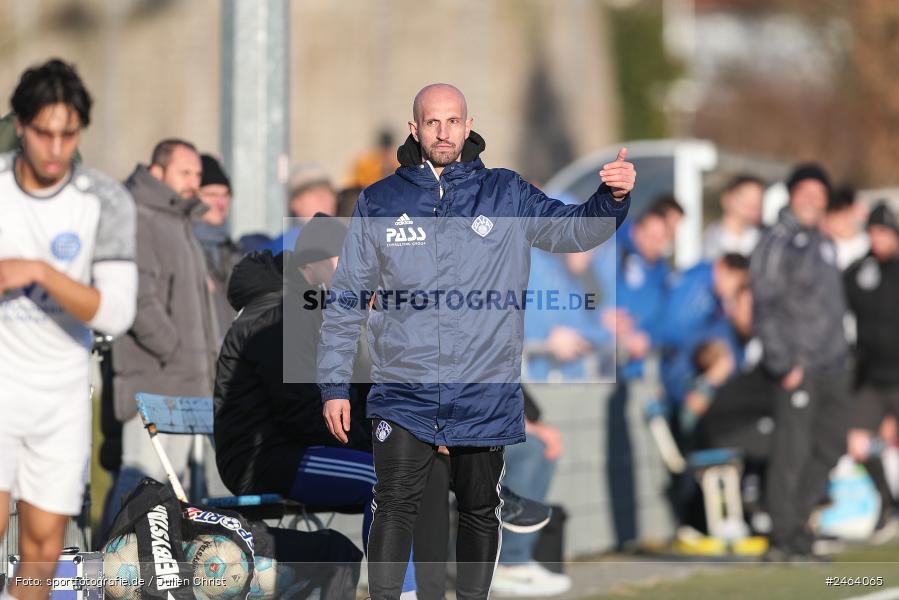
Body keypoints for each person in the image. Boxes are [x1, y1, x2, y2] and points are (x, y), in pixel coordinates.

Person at [317, 83, 634, 599]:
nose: (443, 132)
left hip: (485, 388)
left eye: (453, 121)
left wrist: (612, 197)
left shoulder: (507, 193)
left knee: (479, 508)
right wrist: (334, 385)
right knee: (394, 502)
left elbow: (572, 231)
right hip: (403, 389)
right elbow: (347, 297)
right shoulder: (380, 200)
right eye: (432, 122)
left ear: (469, 125)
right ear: (415, 128)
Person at [0, 59, 137, 600]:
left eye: (69, 134)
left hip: (61, 397)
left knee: (41, 551)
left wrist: (39, 273)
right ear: (20, 127)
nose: (55, 148)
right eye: (43, 133)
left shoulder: (104, 200)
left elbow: (115, 313)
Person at [105, 139, 217, 528]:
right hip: (152, 380)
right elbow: (139, 299)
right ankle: (112, 557)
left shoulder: (179, 221)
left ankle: (156, 563)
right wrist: (174, 348)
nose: (193, 182)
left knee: (173, 489)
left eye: (197, 174)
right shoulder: (140, 217)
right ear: (157, 172)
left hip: (185, 383)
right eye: (184, 172)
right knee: (140, 480)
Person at [751, 163, 850, 560]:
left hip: (833, 366)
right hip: (799, 366)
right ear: (791, 195)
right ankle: (783, 536)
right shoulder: (778, 240)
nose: (812, 201)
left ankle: (798, 523)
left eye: (819, 194)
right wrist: (784, 361)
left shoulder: (822, 242)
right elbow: (765, 304)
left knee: (831, 445)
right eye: (805, 193)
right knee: (791, 452)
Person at [843, 202, 899, 542]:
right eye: (873, 232)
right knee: (857, 442)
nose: (879, 239)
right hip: (870, 377)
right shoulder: (857, 273)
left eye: (885, 232)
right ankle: (887, 501)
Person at [194, 153, 241, 340]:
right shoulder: (185, 247)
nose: (220, 203)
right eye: (211, 195)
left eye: (225, 195)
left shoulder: (232, 251)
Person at [267, 163, 337, 253]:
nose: (324, 198)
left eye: (328, 191)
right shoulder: (288, 245)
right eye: (315, 192)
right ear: (295, 203)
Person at [701, 175, 765, 260]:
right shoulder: (706, 241)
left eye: (758, 199)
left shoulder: (765, 240)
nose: (753, 205)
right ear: (726, 199)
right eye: (746, 198)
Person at [823, 186, 869, 271]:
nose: (845, 219)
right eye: (838, 214)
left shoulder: (870, 245)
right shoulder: (821, 248)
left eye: (847, 212)